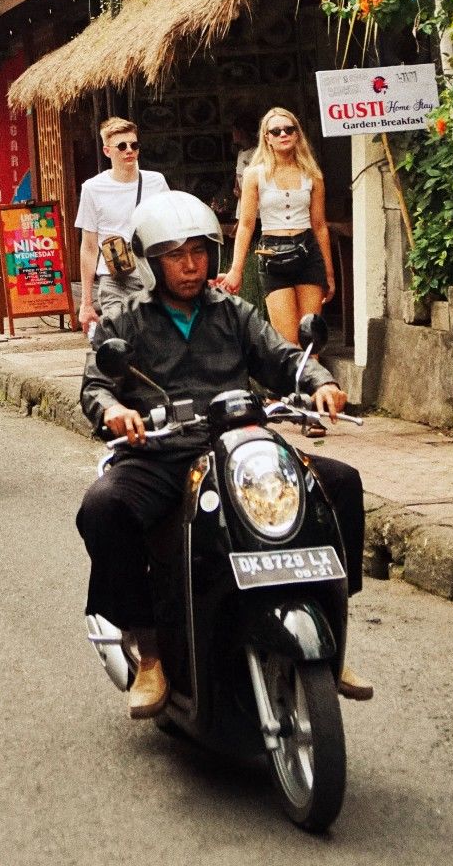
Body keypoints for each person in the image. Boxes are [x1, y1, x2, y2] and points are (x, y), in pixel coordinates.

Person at [76, 193, 371, 720]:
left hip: (238, 448)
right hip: (163, 454)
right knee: (104, 508)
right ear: (151, 261)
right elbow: (97, 386)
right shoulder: (127, 321)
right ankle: (150, 652)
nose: (190, 266)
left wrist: (320, 381)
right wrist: (118, 411)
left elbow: (283, 359)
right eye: (175, 255)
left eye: (198, 252)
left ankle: (334, 636)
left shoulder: (232, 312)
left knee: (340, 484)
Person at [219, 107, 334, 344]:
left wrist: (329, 273)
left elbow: (320, 225)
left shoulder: (312, 174)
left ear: (297, 134)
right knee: (288, 343)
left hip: (307, 251)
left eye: (289, 129)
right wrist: (236, 269)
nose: (283, 134)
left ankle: (313, 381)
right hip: (273, 254)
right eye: (276, 131)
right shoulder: (254, 174)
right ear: (267, 138)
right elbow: (247, 225)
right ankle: (291, 381)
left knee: (311, 341)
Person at [75, 117, 170, 332]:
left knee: (156, 343)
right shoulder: (93, 188)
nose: (129, 150)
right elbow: (89, 247)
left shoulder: (156, 182)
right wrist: (86, 303)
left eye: (134, 145)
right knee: (121, 339)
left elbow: (170, 232)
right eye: (122, 146)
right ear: (107, 151)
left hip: (153, 277)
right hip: (115, 280)